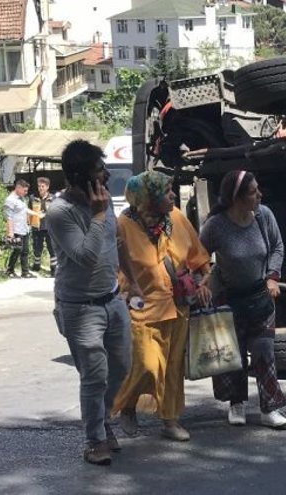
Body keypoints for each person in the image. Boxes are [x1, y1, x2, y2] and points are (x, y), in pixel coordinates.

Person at [46, 139, 138, 466]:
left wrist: (133, 282)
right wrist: (98, 215)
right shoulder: (59, 211)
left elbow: (117, 242)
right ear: (78, 177)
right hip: (80, 307)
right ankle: (94, 439)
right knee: (94, 375)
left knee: (123, 367)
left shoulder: (102, 202)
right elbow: (84, 255)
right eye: (99, 171)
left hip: (113, 299)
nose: (105, 175)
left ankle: (103, 420)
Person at [111, 171, 212, 442]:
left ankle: (170, 420)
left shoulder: (176, 218)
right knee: (146, 365)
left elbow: (199, 256)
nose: (172, 196)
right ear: (148, 197)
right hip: (142, 307)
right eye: (166, 191)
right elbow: (113, 264)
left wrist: (203, 283)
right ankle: (127, 404)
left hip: (178, 304)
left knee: (172, 368)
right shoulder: (123, 224)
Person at [199, 170, 286, 429]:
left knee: (264, 352)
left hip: (260, 297)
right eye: (253, 192)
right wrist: (202, 282)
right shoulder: (216, 225)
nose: (259, 195)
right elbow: (198, 255)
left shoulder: (264, 216)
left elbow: (277, 247)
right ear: (235, 198)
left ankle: (270, 408)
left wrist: (273, 277)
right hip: (229, 299)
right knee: (233, 355)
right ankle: (236, 403)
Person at [3, 178, 41, 278]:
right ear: (18, 188)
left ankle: (25, 272)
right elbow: (9, 217)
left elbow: (25, 209)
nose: (26, 192)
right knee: (17, 250)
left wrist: (36, 214)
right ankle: (9, 270)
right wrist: (10, 232)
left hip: (24, 229)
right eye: (25, 190)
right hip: (16, 230)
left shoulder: (21, 198)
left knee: (25, 251)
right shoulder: (10, 200)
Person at [29, 177, 57, 276]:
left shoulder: (53, 198)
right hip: (37, 226)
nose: (40, 188)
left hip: (50, 227)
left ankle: (53, 268)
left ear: (47, 187)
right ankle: (37, 265)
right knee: (37, 247)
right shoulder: (33, 197)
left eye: (42, 186)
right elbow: (29, 211)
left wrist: (45, 214)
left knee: (52, 248)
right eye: (39, 186)